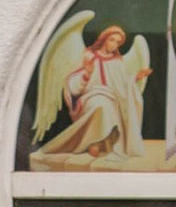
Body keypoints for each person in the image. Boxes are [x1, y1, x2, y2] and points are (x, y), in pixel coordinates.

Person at [30, 14, 151, 167]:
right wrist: (86, 74)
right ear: (104, 39)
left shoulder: (117, 62)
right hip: (89, 99)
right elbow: (73, 87)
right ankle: (94, 141)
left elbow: (123, 85)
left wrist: (136, 78)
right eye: (112, 40)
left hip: (112, 99)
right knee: (101, 106)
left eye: (118, 42)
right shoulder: (87, 55)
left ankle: (101, 144)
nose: (114, 45)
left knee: (109, 106)